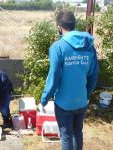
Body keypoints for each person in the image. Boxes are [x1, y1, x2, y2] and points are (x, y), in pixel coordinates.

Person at [39, 11, 98, 150]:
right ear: (74, 24)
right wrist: (86, 94)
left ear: (59, 27)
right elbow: (93, 75)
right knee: (77, 133)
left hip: (63, 104)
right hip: (81, 100)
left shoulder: (58, 47)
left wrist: (44, 99)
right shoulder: (89, 45)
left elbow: (54, 78)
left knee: (66, 137)